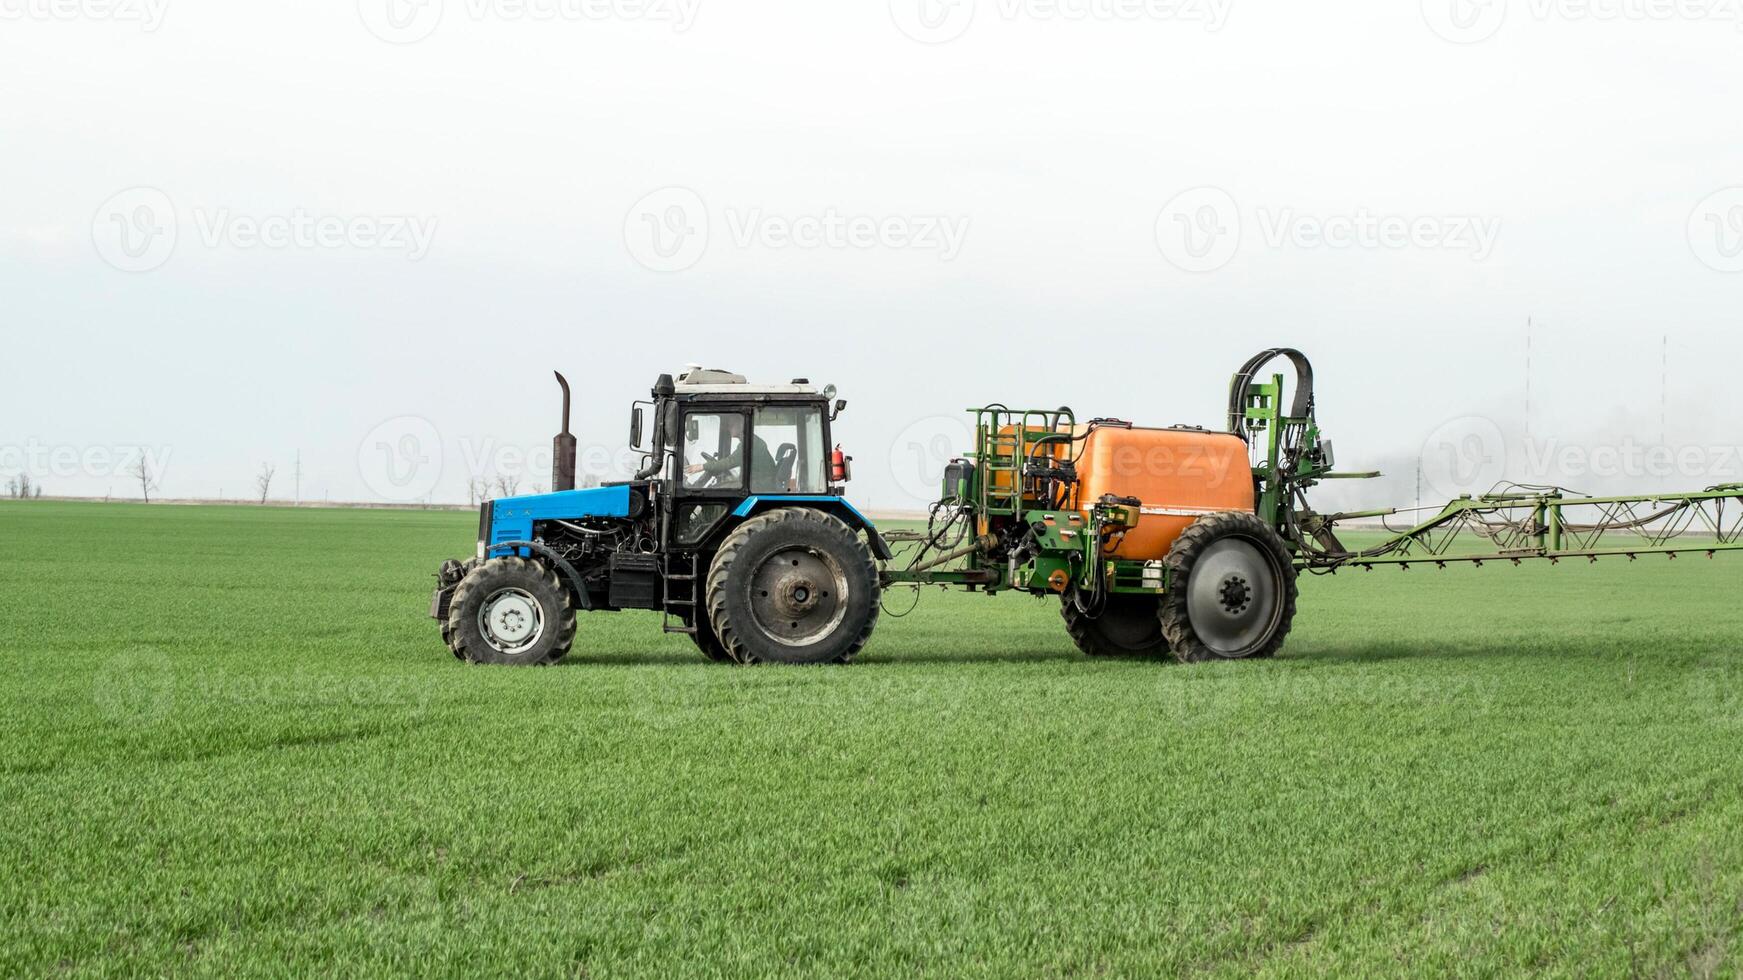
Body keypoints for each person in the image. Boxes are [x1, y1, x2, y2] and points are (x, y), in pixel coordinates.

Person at [684, 415, 777, 488]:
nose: (728, 428)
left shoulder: (750, 443)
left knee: (715, 490)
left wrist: (702, 466)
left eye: (731, 425)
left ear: (741, 424)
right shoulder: (750, 440)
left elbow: (729, 462)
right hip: (757, 483)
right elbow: (731, 461)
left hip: (758, 485)